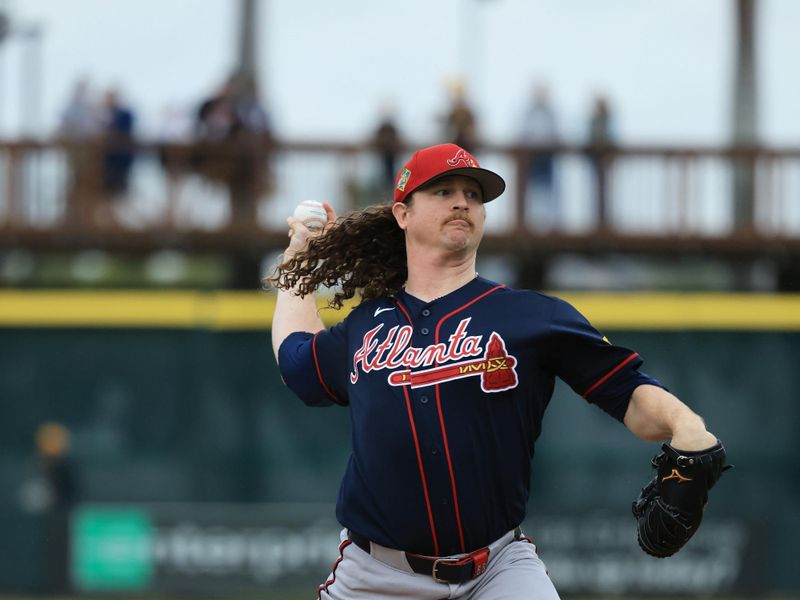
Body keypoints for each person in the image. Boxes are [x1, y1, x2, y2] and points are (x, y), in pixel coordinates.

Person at [268, 143, 729, 599]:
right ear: (403, 214)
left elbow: (627, 392)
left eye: (473, 194)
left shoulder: (531, 317)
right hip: (375, 577)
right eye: (442, 190)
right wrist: (298, 255)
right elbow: (298, 362)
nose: (462, 201)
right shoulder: (367, 325)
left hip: (497, 572)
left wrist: (687, 426)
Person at [519, 83, 559, 230]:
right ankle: (531, 220)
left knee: (548, 189)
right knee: (531, 189)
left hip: (546, 157)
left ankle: (549, 221)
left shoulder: (549, 112)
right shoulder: (530, 112)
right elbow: (524, 133)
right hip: (532, 157)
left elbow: (555, 133)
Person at [586, 94, 615, 229]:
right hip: (595, 158)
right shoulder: (594, 120)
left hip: (605, 158)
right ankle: (597, 220)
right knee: (597, 189)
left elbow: (612, 137)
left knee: (605, 190)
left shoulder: (608, 120)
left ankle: (604, 220)